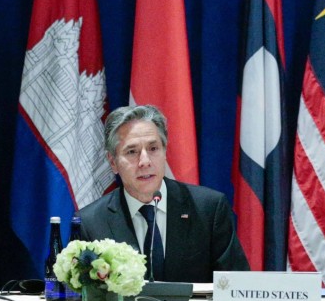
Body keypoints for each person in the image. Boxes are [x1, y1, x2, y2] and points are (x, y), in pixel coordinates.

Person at [78, 104, 249, 282]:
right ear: (112, 162)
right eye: (132, 152)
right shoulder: (91, 223)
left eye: (153, 149)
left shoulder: (209, 210)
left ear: (165, 151)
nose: (145, 161)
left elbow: (238, 287)